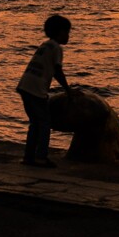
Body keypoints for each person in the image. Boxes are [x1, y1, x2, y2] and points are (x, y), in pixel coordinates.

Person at [16, 15, 74, 167]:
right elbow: (57, 71)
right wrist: (68, 90)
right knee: (44, 123)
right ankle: (41, 157)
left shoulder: (44, 45)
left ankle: (29, 157)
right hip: (36, 90)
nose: (68, 36)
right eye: (67, 32)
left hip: (25, 86)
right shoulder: (56, 48)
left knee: (34, 124)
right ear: (59, 32)